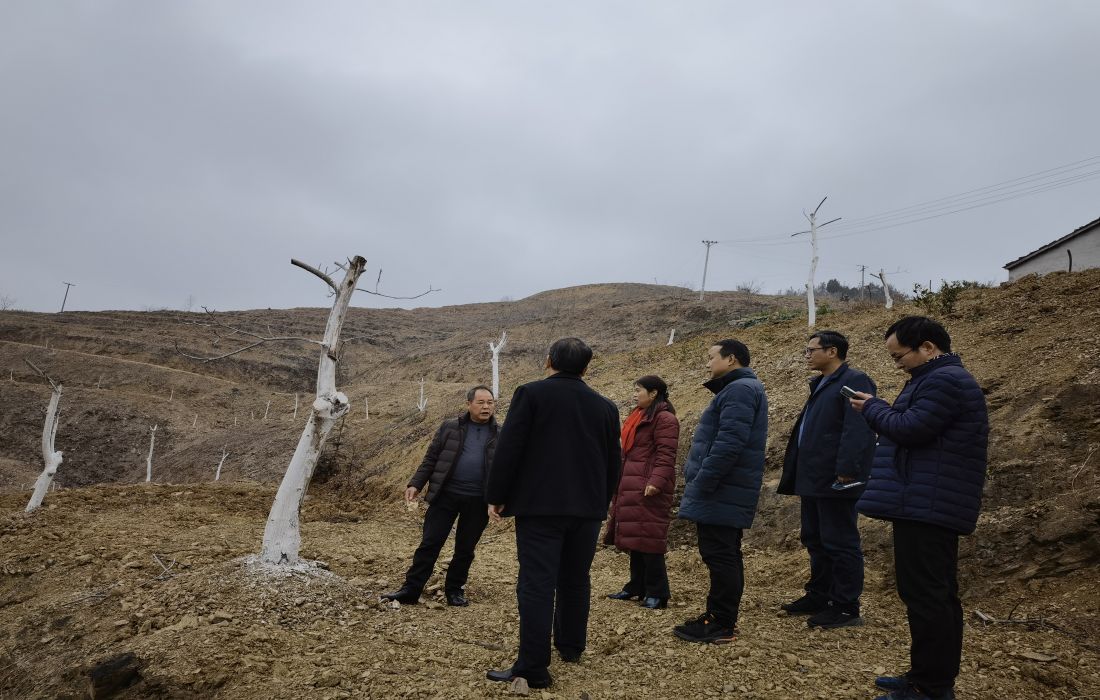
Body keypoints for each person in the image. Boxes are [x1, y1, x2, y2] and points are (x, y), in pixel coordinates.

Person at [848, 316, 988, 700]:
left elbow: (911, 428)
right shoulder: (932, 380)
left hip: (931, 503)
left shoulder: (946, 380)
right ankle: (923, 676)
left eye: (899, 356)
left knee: (930, 596)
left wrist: (873, 408)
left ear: (928, 347)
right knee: (926, 594)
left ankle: (931, 687)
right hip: (924, 500)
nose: (898, 364)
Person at [484, 338, 621, 689]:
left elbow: (509, 448)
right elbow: (613, 463)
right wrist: (601, 502)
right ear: (586, 368)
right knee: (576, 579)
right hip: (588, 509)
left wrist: (497, 495)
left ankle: (532, 667)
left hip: (541, 507)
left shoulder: (531, 394)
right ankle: (572, 646)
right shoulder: (605, 407)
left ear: (548, 361)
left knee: (537, 583)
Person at [777, 330, 877, 629]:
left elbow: (857, 427)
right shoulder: (821, 383)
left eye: (811, 350)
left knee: (839, 541)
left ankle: (846, 606)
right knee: (815, 538)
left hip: (836, 477)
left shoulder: (854, 381)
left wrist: (847, 468)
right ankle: (820, 595)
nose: (807, 355)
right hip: (813, 476)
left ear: (832, 351)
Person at [673, 339, 768, 644]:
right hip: (725, 488)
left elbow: (729, 444)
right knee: (723, 554)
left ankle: (721, 623)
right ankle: (718, 617)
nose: (708, 363)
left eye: (712, 357)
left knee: (721, 555)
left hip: (722, 488)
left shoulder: (740, 390)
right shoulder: (738, 389)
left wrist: (702, 481)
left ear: (731, 359)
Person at [380, 385, 498, 607]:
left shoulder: (500, 433)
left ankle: (455, 590)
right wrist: (416, 483)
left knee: (465, 548)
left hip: (478, 500)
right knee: (430, 543)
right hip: (446, 495)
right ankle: (411, 589)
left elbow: (506, 469)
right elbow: (431, 458)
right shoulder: (450, 428)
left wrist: (499, 498)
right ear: (469, 404)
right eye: (481, 402)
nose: (486, 407)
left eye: (490, 402)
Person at [604, 375, 680, 609]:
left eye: (638, 390)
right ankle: (636, 586)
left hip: (649, 486)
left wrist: (656, 481)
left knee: (650, 538)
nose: (635, 394)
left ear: (654, 393)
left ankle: (658, 592)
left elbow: (666, 454)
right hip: (632, 483)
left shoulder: (664, 419)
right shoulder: (639, 416)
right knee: (636, 536)